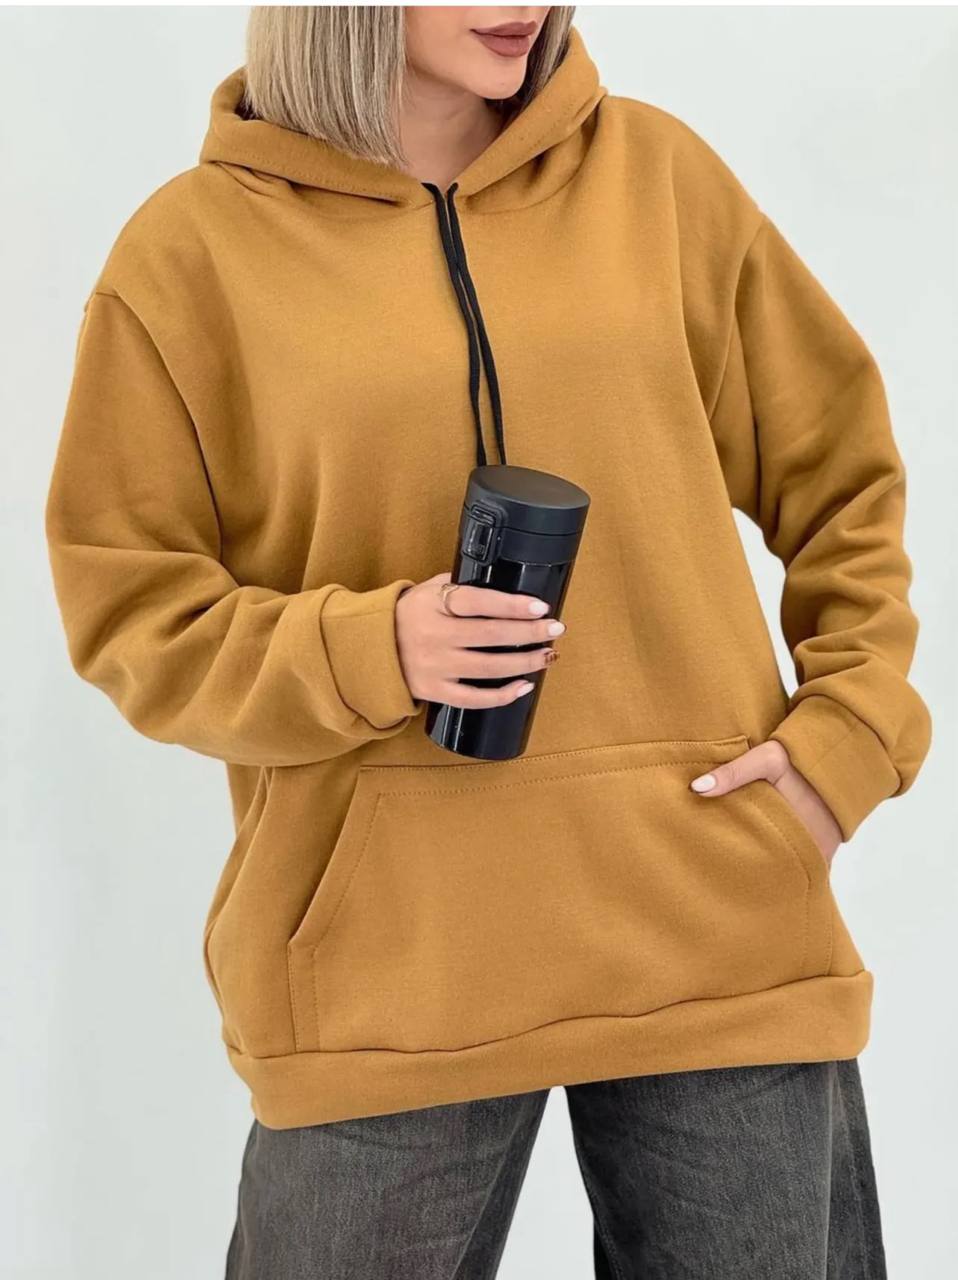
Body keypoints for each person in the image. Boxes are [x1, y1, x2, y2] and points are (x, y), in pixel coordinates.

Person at [44, 6, 931, 1277]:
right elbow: (132, 610)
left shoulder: (659, 182)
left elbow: (841, 471)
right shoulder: (190, 254)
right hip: (385, 969)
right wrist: (372, 648)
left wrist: (848, 736)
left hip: (712, 916)